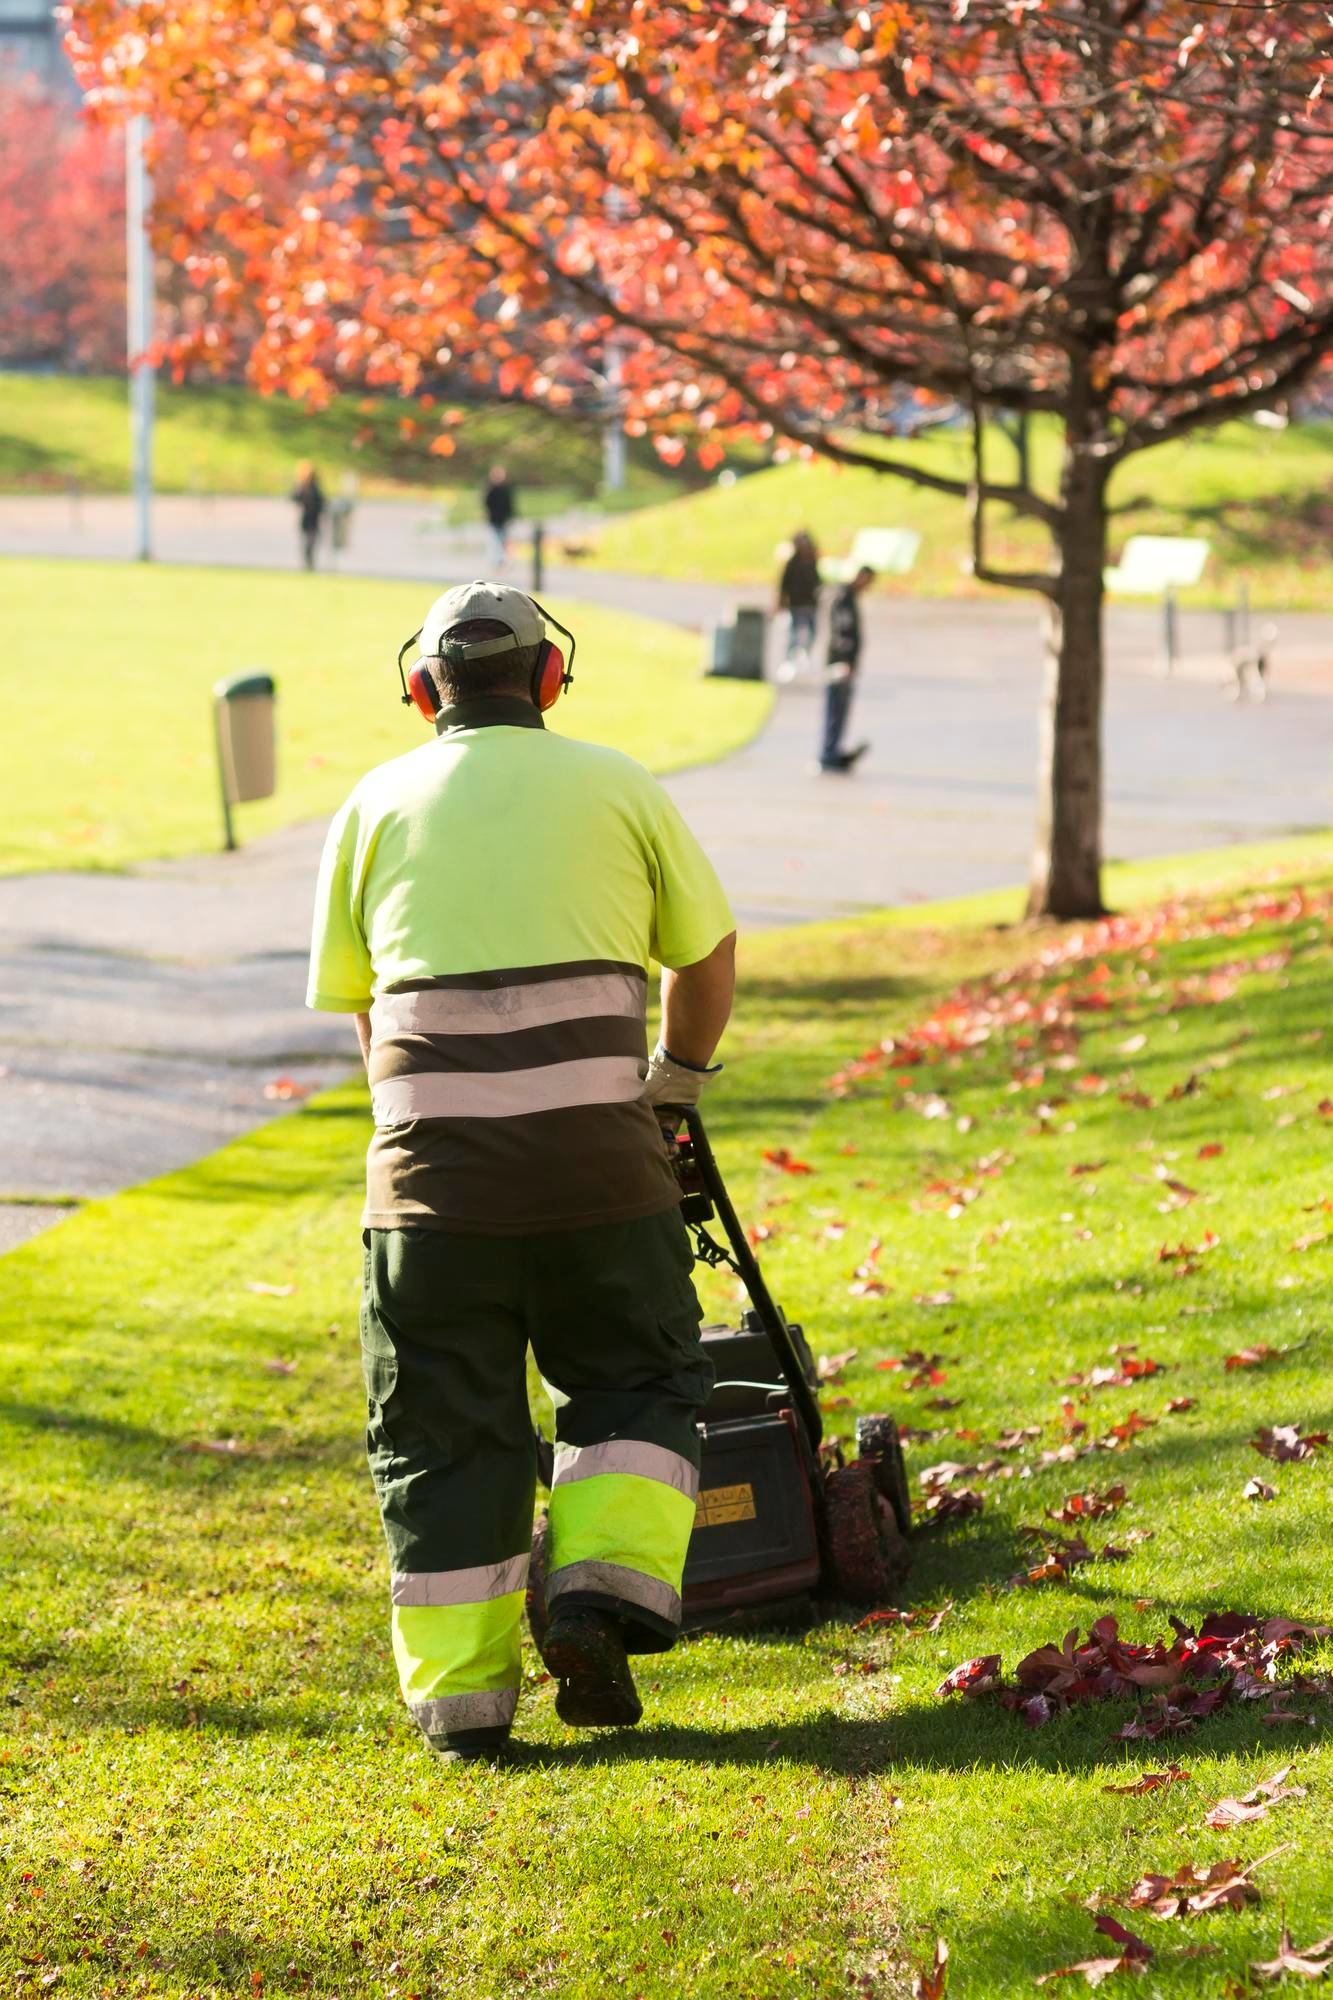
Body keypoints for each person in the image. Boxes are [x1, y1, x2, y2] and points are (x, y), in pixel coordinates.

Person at [307, 579, 736, 1765]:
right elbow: (706, 956)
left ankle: (465, 1709)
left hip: (429, 1193)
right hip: (602, 1173)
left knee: (441, 1432)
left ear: (422, 689)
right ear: (549, 677)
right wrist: (675, 1081)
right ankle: (596, 1592)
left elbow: (364, 1010)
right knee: (636, 1379)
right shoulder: (619, 783)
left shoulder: (372, 804)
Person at [819, 563, 874, 773]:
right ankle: (829, 753)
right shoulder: (843, 598)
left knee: (840, 709)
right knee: (836, 708)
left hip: (844, 662)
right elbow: (842, 631)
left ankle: (833, 751)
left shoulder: (848, 597)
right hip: (839, 663)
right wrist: (843, 661)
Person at [776, 530, 821, 670]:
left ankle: (804, 654)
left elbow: (817, 582)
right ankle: (789, 658)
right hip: (796, 603)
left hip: (810, 603)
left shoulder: (812, 561)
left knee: (812, 632)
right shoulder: (793, 563)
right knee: (794, 632)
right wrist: (781, 603)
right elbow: (784, 585)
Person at [291, 461, 326, 570]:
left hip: (314, 518)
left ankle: (310, 562)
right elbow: (295, 498)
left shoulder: (315, 487)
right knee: (309, 541)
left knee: (312, 541)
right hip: (307, 518)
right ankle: (308, 563)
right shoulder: (302, 487)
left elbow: (321, 502)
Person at [482, 464, 516, 566]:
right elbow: (487, 503)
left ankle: (500, 559)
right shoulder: (491, 488)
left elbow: (509, 504)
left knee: (502, 539)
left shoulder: (506, 488)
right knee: (496, 539)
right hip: (494, 518)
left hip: (504, 518)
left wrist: (510, 515)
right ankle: (496, 560)